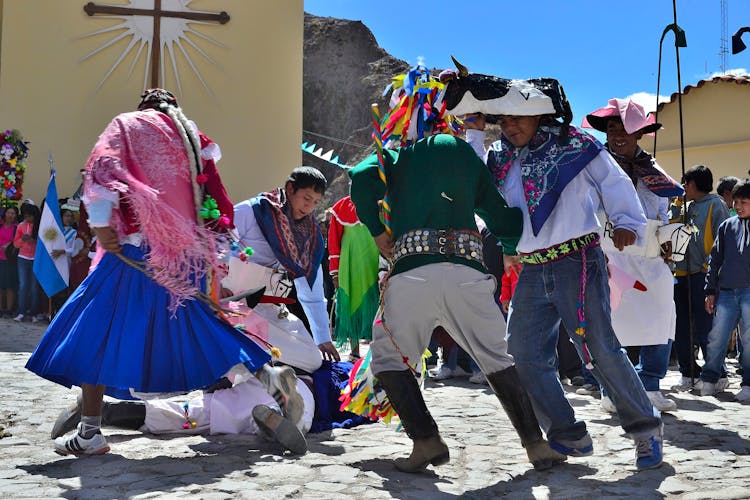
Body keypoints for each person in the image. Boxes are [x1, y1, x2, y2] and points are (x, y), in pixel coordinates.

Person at [25, 89, 304, 456]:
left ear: (145, 109)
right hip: (183, 258)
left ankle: (91, 432)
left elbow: (103, 168)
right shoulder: (192, 139)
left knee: (92, 329)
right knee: (200, 328)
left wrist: (100, 223)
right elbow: (218, 202)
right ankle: (265, 374)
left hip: (134, 253)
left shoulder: (129, 125)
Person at [349, 64, 565, 473]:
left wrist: (378, 231)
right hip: (468, 273)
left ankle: (427, 441)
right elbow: (501, 216)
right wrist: (508, 244)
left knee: (389, 359)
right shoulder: (465, 153)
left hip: (412, 273)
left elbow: (361, 179)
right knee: (497, 357)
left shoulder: (396, 155)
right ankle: (535, 444)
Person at [451, 70, 663, 470]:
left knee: (598, 348)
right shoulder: (502, 158)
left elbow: (614, 184)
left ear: (540, 116)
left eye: (517, 118)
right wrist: (476, 133)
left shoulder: (576, 146)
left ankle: (645, 430)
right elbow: (476, 184)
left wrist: (627, 224)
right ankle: (569, 435)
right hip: (531, 268)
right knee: (523, 355)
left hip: (577, 260)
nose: (509, 126)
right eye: (503, 118)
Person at [581, 98, 685, 412]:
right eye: (612, 128)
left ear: (639, 133)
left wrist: (669, 237)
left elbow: (663, 212)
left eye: (625, 128)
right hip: (611, 259)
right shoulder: (594, 169)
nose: (618, 134)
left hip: (653, 260)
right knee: (608, 327)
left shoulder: (655, 172)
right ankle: (610, 391)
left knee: (662, 319)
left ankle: (650, 385)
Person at [233, 167, 340, 362]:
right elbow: (217, 244)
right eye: (306, 198)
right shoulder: (252, 211)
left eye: (315, 202)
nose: (309, 207)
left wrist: (323, 337)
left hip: (269, 307)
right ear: (290, 189)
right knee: (245, 363)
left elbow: (311, 289)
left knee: (312, 359)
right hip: (231, 306)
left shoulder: (309, 233)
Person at [672, 165, 731, 391]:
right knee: (681, 328)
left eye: (685, 182)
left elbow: (723, 240)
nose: (683, 186)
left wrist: (713, 271)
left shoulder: (716, 205)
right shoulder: (683, 206)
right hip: (680, 274)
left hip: (703, 275)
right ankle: (688, 372)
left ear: (695, 183)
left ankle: (717, 373)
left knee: (707, 327)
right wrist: (677, 204)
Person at [699, 180, 750, 400]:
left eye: (744, 202)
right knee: (717, 337)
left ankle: (748, 384)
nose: (738, 206)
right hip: (727, 292)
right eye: (736, 201)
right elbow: (715, 260)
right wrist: (710, 290)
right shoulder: (727, 226)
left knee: (748, 340)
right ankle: (711, 378)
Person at [328, 195, 379, 361]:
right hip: (350, 262)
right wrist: (335, 272)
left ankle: (377, 350)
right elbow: (334, 241)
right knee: (351, 305)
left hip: (375, 259)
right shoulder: (341, 206)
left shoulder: (383, 203)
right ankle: (355, 351)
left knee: (377, 303)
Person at [13, 200, 42, 322]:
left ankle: (34, 314)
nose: (27, 218)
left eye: (29, 216)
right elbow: (15, 244)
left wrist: (33, 241)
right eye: (25, 215)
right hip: (23, 258)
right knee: (23, 285)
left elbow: (43, 244)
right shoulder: (20, 226)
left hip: (36, 258)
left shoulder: (40, 226)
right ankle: (21, 312)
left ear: (34, 215)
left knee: (34, 287)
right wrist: (23, 241)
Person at [0, 205, 19, 317]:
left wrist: (10, 244)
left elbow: (18, 241)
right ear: (5, 214)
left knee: (9, 286)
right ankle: (1, 309)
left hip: (10, 260)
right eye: (9, 213)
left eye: (13, 213)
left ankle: (8, 309)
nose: (10, 215)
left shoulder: (17, 228)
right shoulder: (0, 226)